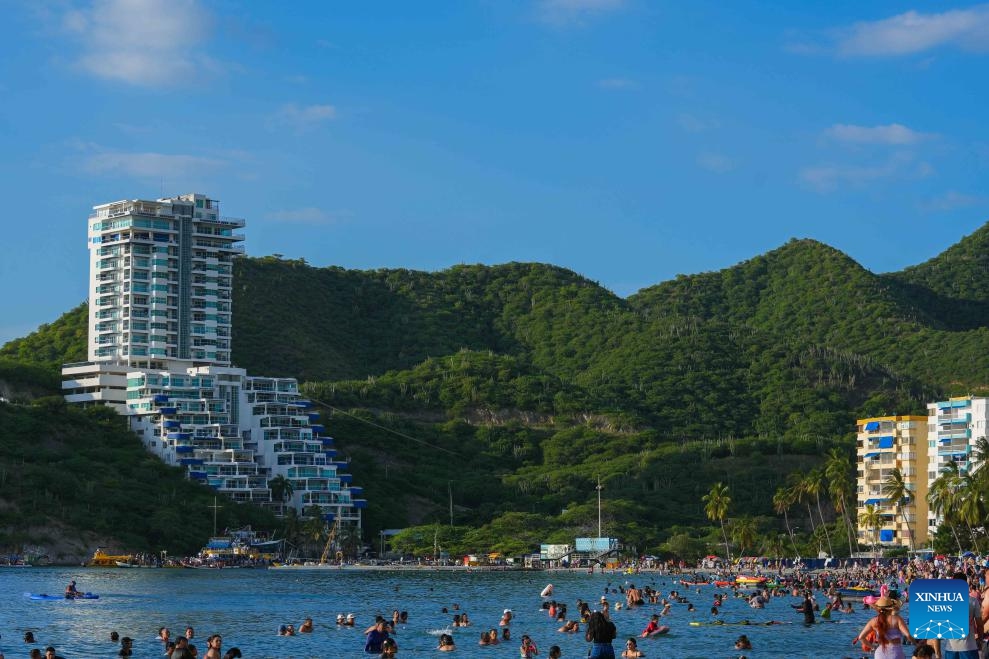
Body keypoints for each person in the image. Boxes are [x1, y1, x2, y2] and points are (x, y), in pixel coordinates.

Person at [941, 572, 984, 659]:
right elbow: (979, 624)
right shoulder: (973, 601)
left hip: (950, 647)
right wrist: (980, 640)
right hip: (969, 646)